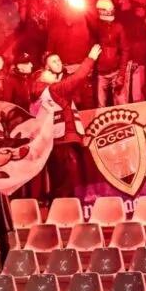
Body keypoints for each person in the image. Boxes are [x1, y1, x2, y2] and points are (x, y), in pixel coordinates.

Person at [37, 46, 101, 198]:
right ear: (43, 73)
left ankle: (64, 212)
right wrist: (90, 58)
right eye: (53, 62)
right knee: (67, 182)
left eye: (59, 60)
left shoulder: (54, 88)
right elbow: (77, 78)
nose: (58, 64)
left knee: (64, 181)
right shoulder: (54, 89)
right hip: (62, 141)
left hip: (63, 140)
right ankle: (65, 214)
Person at [91, 0, 128, 107]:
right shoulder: (96, 27)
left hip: (116, 72)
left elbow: (125, 50)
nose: (110, 12)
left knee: (122, 106)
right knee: (100, 107)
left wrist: (121, 75)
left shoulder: (118, 27)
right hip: (101, 74)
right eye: (107, 10)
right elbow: (88, 16)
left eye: (111, 10)